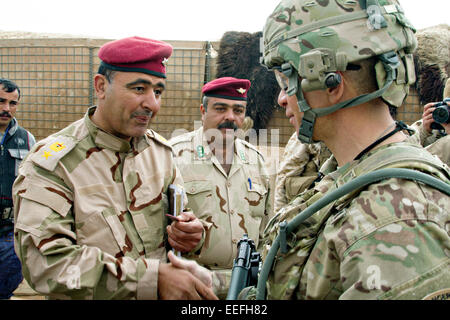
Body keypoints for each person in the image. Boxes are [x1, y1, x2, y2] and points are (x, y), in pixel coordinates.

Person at [253, 0, 450, 300]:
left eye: (285, 79)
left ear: (332, 84)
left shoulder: (394, 223)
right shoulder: (354, 173)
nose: (281, 99)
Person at [12, 36, 217, 300]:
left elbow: (181, 219)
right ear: (100, 87)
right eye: (139, 89)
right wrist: (148, 280)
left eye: (158, 92)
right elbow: (45, 264)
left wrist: (190, 234)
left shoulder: (160, 153)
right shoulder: (54, 164)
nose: (152, 104)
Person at [169, 77, 272, 298]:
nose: (230, 117)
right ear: (203, 111)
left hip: (247, 288)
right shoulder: (172, 156)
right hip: (194, 287)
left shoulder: (256, 161)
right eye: (220, 108)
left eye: (238, 110)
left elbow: (266, 229)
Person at [0, 78, 36, 299]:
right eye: (1, 101)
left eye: (13, 103)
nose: (6, 109)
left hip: (10, 230)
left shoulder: (27, 140)